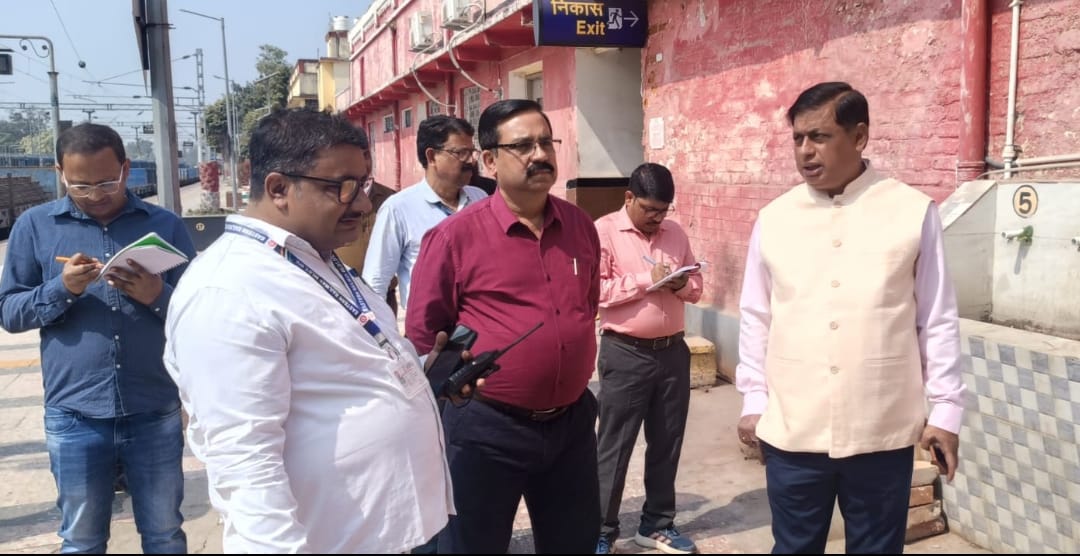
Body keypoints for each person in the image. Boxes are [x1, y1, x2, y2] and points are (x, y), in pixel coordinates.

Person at [163, 108, 455, 553]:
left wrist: (418, 372)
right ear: (279, 188)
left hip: (389, 531)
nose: (362, 204)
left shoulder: (315, 257)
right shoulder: (229, 291)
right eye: (343, 187)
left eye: (364, 186)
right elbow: (245, 461)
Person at [735, 82, 967, 554]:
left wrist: (946, 410)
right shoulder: (775, 219)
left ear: (859, 136)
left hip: (881, 432)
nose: (805, 151)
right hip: (792, 431)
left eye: (819, 136)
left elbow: (937, 318)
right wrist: (753, 399)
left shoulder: (911, 213)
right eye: (798, 138)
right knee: (793, 547)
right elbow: (755, 316)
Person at [406, 98, 602, 554]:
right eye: (523, 146)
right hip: (486, 430)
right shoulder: (454, 237)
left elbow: (586, 305)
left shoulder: (579, 225)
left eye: (546, 143)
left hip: (570, 426)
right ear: (490, 161)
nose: (540, 154)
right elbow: (425, 334)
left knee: (574, 544)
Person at [0, 122, 193, 553]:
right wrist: (61, 288)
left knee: (164, 534)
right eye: (80, 185)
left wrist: (157, 295)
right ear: (59, 173)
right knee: (81, 539)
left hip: (153, 406)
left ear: (126, 169)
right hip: (75, 412)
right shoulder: (35, 227)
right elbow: (9, 312)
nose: (95, 195)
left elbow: (201, 313)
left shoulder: (164, 225)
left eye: (107, 182)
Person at [593, 162, 703, 555]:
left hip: (672, 352)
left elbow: (697, 287)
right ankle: (600, 530)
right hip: (626, 353)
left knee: (667, 441)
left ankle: (657, 524)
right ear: (629, 198)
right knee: (615, 445)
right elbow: (595, 291)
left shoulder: (675, 233)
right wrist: (646, 281)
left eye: (663, 210)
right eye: (650, 210)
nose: (657, 218)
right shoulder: (604, 231)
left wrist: (682, 283)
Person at [362, 115, 487, 310]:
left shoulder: (480, 198)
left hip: (482, 320)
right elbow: (376, 281)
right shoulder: (398, 208)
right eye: (461, 153)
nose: (470, 161)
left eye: (472, 152)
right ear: (431, 156)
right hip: (430, 326)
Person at [334, 127, 401, 313]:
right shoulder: (332, 200)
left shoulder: (391, 199)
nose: (364, 162)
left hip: (384, 297)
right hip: (343, 296)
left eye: (366, 155)